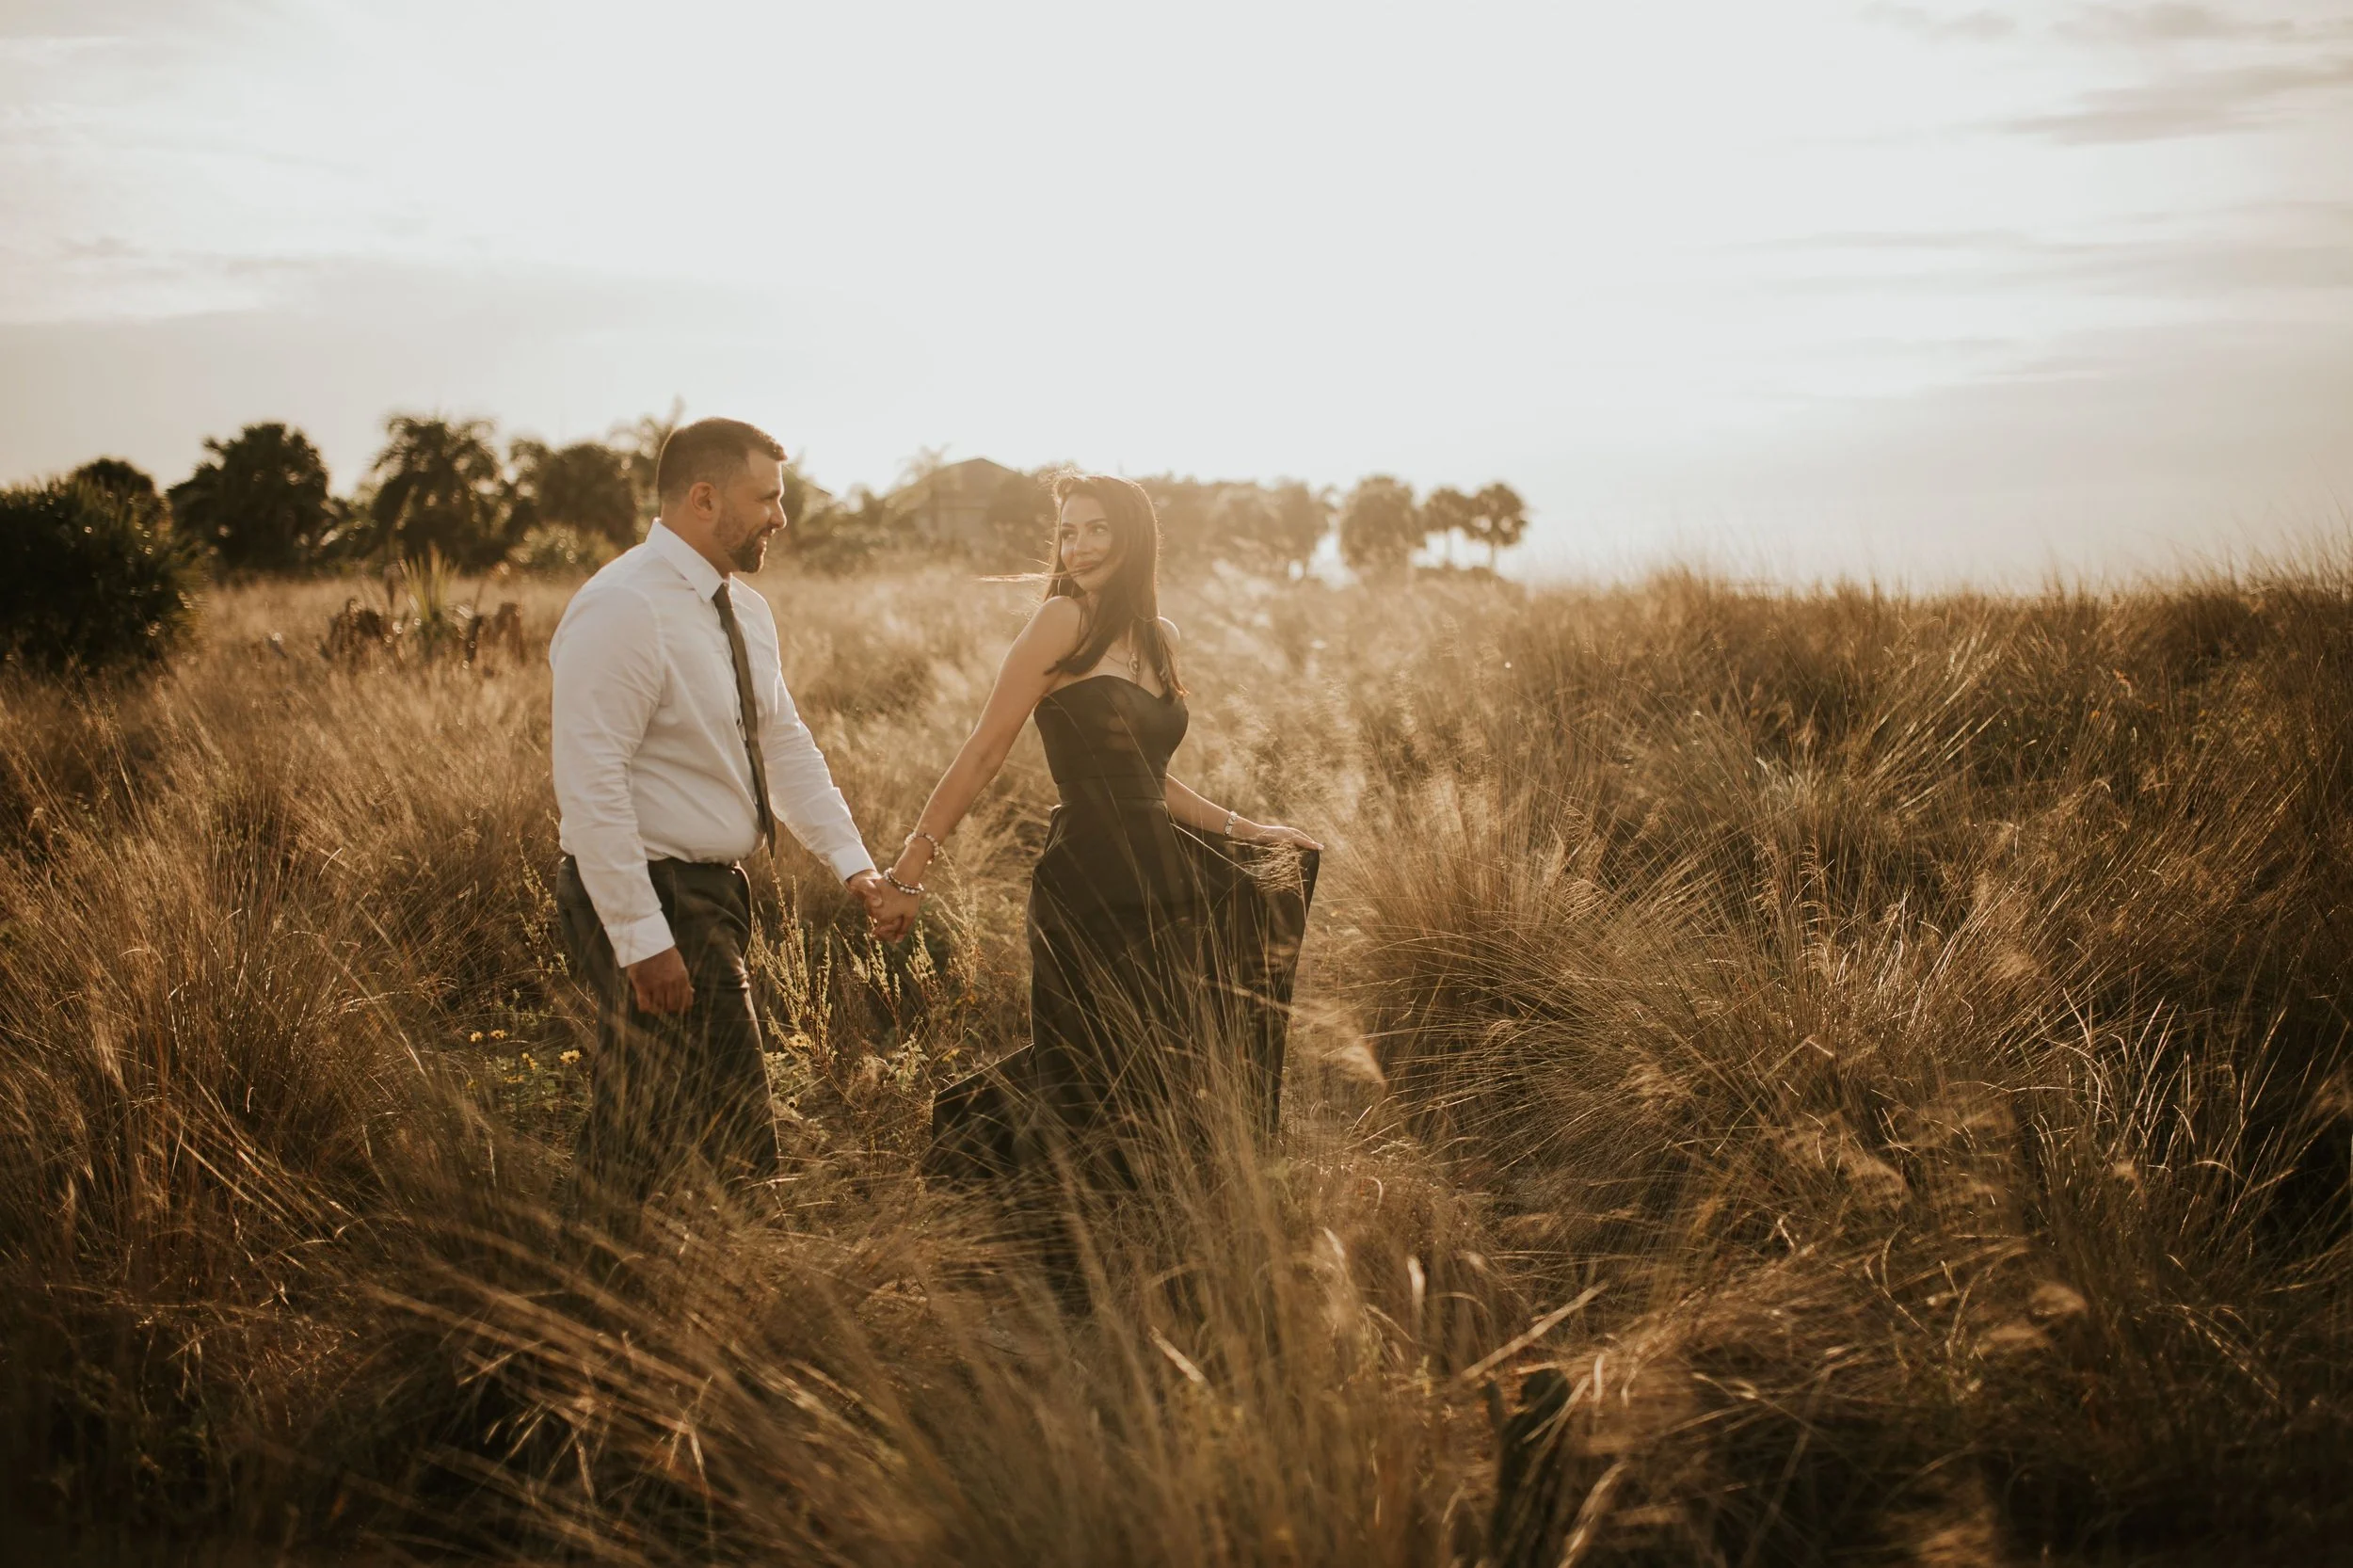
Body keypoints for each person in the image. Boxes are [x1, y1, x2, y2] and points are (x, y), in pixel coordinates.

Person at [867, 472, 1322, 1188]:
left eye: (1097, 529)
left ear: (1134, 536)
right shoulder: (1060, 622)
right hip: (1088, 877)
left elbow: (1151, 781)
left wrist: (1251, 828)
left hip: (1161, 873)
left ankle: (1151, 1215)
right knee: (1085, 1060)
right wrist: (910, 865)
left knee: (1157, 1051)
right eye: (1068, 532)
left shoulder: (1160, 639)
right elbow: (986, 747)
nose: (1078, 548)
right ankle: (992, 1190)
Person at [549, 417, 888, 1208]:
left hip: (713, 895)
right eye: (766, 498)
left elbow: (786, 745)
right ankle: (746, 1291)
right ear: (703, 499)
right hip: (651, 896)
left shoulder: (747, 612)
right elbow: (589, 779)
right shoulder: (623, 606)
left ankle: (599, 1294)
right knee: (731, 1127)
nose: (781, 516)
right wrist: (641, 938)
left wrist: (855, 864)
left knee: (644, 1119)